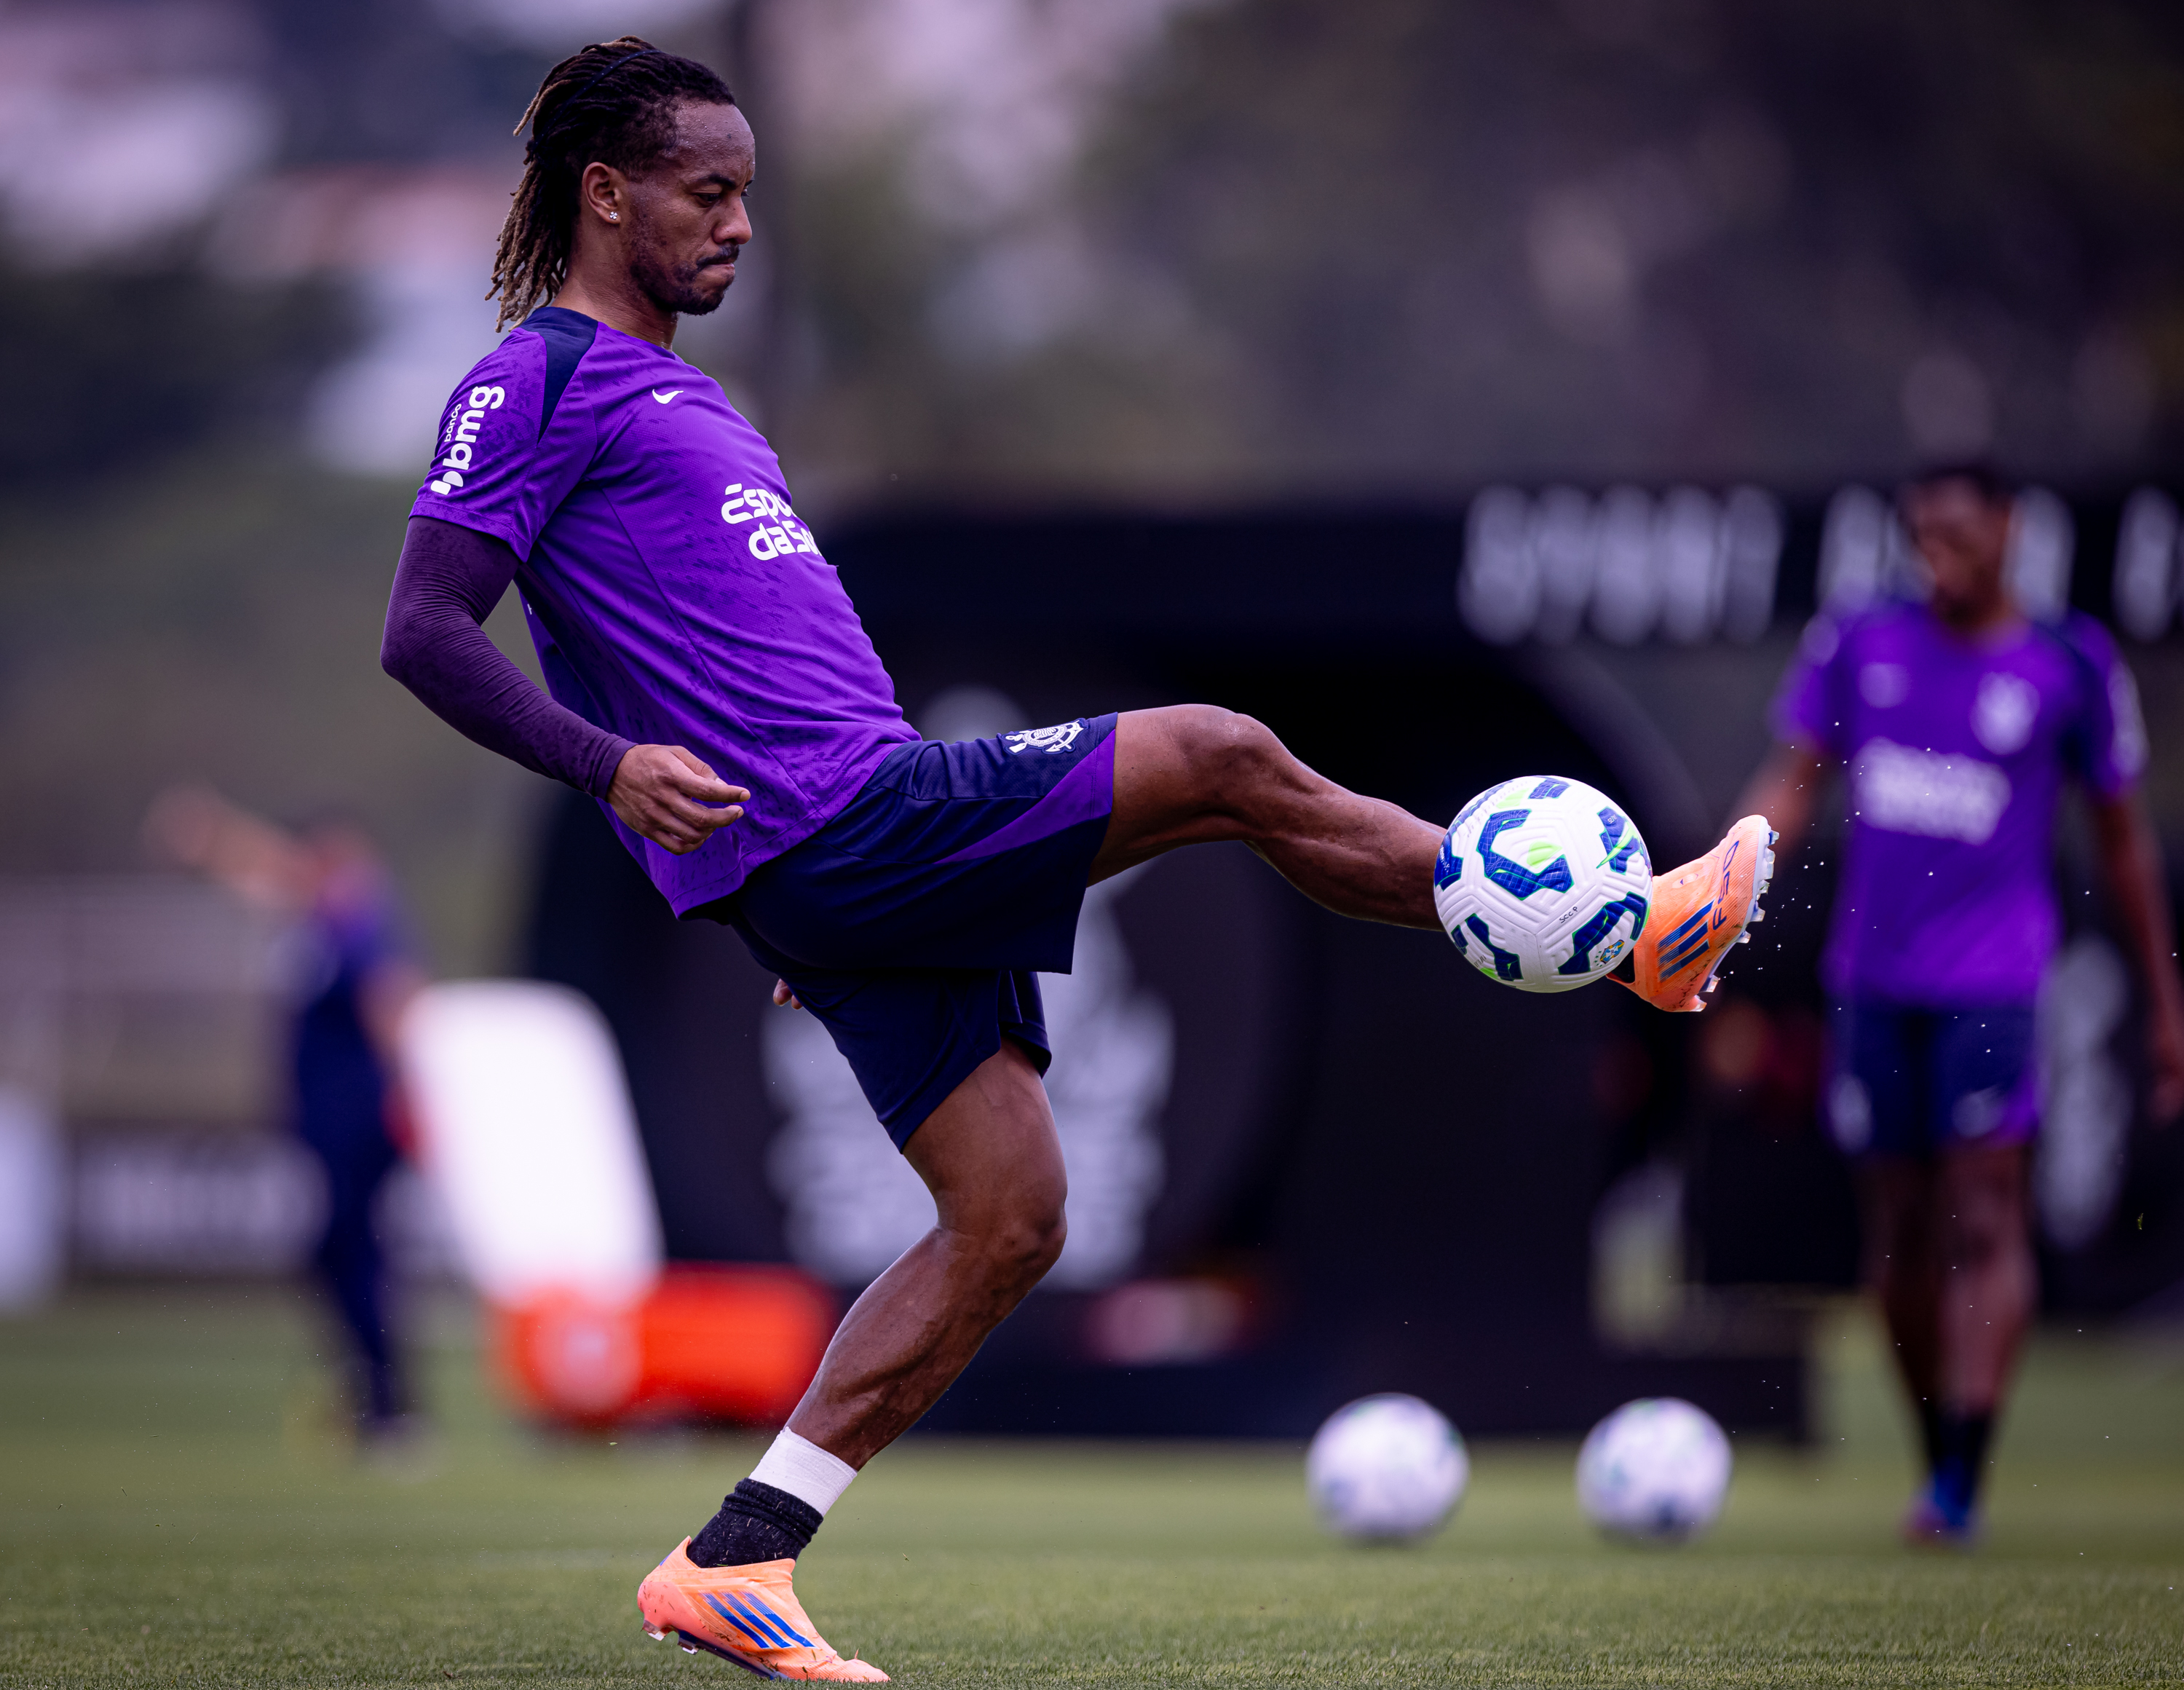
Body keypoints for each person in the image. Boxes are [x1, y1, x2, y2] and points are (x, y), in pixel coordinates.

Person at [378, 38, 1765, 1678]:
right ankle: (1637, 927)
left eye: (748, 192)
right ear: (606, 194)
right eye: (708, 191)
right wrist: (611, 766)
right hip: (840, 821)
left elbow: (726, 651)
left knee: (1014, 1216)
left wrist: (793, 889)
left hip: (844, 849)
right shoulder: (533, 382)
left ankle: (736, 1557)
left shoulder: (690, 392)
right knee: (1222, 755)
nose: (740, 223)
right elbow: (425, 629)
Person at [1738, 463, 2184, 1547]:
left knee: (1983, 1212)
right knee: (1897, 1228)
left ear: (2010, 529)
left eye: (1959, 531)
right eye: (1922, 533)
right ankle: (1938, 1449)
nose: (1938, 552)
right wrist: (1722, 880)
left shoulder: (2069, 661)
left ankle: (1964, 1473)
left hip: (1996, 982)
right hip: (1870, 981)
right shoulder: (1861, 642)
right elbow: (1792, 781)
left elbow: (2122, 842)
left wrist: (2167, 1001)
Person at [146, 789, 426, 1441]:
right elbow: (267, 866)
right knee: (337, 1253)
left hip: (360, 1120)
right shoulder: (322, 918)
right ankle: (374, 1396)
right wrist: (212, 836)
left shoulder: (362, 923)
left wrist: (405, 1090)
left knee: (352, 1252)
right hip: (327, 1122)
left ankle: (389, 1404)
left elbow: (393, 1000)